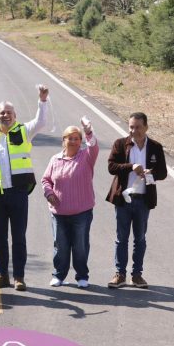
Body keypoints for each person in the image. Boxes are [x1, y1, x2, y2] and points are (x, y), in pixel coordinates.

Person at [0, 85, 50, 291]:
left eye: (9, 112)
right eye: (2, 113)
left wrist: (42, 101)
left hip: (18, 193)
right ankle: (2, 275)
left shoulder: (23, 131)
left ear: (15, 115)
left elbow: (41, 122)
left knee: (18, 236)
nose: (5, 115)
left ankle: (19, 276)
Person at [105, 112, 167, 289]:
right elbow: (111, 167)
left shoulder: (155, 147)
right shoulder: (121, 144)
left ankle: (137, 275)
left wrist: (150, 173)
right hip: (123, 199)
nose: (134, 131)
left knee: (140, 238)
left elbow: (162, 173)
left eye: (138, 127)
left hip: (143, 200)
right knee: (121, 238)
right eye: (131, 127)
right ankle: (120, 274)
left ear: (146, 127)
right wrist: (131, 167)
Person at [41, 119, 99, 288]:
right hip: (59, 213)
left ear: (80, 141)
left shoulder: (87, 156)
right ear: (63, 140)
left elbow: (94, 146)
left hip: (82, 212)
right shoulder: (55, 159)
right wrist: (49, 193)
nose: (73, 141)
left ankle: (82, 276)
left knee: (80, 246)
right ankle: (59, 275)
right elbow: (46, 180)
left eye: (76, 138)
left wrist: (88, 131)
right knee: (61, 246)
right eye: (69, 138)